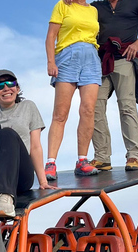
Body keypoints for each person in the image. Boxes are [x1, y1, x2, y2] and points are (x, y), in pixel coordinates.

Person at [76, 0, 138, 171]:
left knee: (127, 107)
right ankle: (102, 157)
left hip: (125, 59)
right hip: (100, 61)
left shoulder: (136, 2)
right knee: (93, 108)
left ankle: (134, 155)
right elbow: (80, 20)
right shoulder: (96, 6)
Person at [0, 70, 57, 218]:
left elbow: (35, 146)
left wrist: (43, 180)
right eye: (0, 86)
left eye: (10, 84)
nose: (6, 88)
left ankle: (6, 197)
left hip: (19, 174)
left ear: (17, 89)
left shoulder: (28, 107)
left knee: (7, 133)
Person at [45, 0, 102, 180]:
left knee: (88, 110)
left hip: (91, 58)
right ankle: (51, 163)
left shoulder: (93, 10)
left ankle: (82, 161)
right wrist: (51, 61)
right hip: (68, 56)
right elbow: (51, 36)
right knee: (60, 113)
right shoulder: (63, 5)